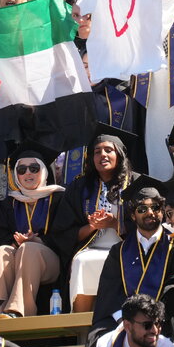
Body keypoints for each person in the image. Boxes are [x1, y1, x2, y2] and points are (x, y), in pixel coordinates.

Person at [54, 124, 141, 313]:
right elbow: (63, 232)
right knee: (81, 262)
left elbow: (148, 225)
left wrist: (115, 224)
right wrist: (92, 226)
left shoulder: (136, 184)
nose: (102, 155)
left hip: (126, 248)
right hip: (90, 248)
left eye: (109, 150)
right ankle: (81, 324)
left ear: (119, 154)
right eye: (97, 151)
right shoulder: (80, 187)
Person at [0, 141, 64, 318]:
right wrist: (16, 242)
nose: (28, 173)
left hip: (51, 263)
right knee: (1, 252)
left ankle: (18, 311)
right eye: (21, 170)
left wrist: (38, 241)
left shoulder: (59, 198)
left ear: (44, 171)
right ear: (16, 175)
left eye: (34, 168)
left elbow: (65, 235)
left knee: (28, 249)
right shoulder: (9, 203)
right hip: (19, 255)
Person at [90, 179, 174, 331]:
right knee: (99, 337)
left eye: (155, 207)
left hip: (165, 322)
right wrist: (125, 323)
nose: (150, 213)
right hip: (125, 322)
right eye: (142, 209)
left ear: (162, 211)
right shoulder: (119, 252)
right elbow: (110, 295)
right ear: (132, 215)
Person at [92, 294, 174, 347]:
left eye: (157, 324)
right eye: (147, 325)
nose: (155, 330)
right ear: (127, 326)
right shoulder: (105, 345)